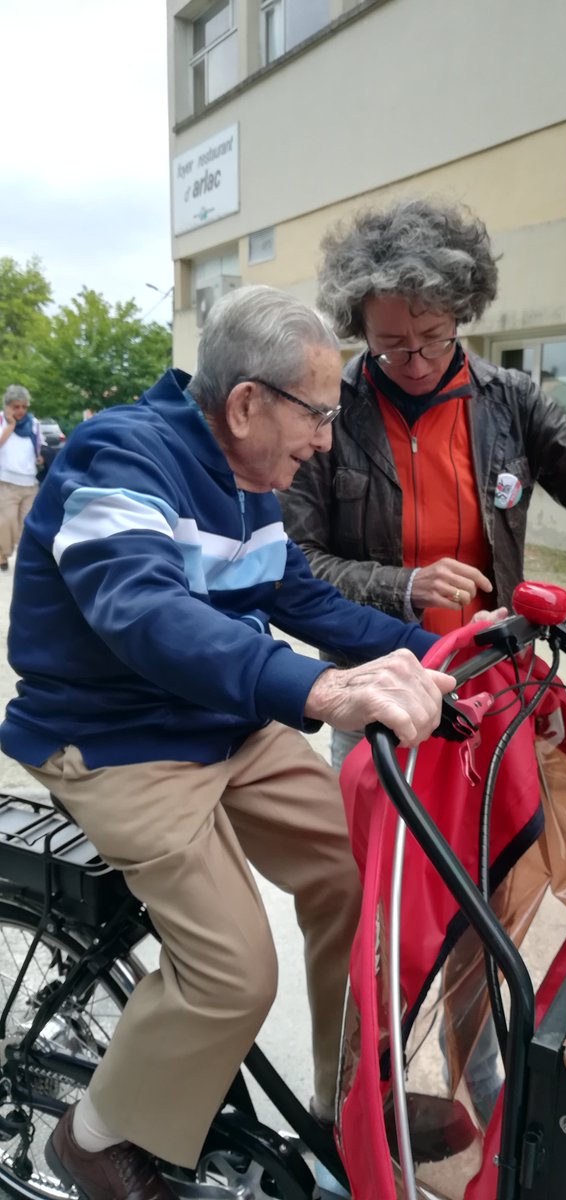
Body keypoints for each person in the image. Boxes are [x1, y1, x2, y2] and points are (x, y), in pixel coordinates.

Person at [0, 285, 457, 1200]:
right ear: (248, 402)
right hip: (118, 739)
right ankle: (92, 1141)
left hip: (222, 728)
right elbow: (144, 611)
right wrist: (320, 689)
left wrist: (447, 649)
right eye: (318, 414)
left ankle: (341, 1100)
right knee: (235, 972)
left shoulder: (250, 484)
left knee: (360, 874)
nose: (326, 438)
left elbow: (304, 602)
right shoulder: (118, 458)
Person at [279, 197, 566, 772]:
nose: (415, 363)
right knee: (379, 858)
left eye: (435, 337)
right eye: (390, 347)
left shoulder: (512, 400)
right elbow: (298, 561)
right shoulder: (329, 410)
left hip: (497, 679)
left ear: (463, 312)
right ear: (358, 329)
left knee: (498, 852)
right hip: (381, 691)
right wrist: (405, 584)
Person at [0, 384, 42, 571]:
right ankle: (2, 554)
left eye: (24, 406)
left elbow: (37, 448)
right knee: (6, 522)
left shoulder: (34, 423)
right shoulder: (2, 421)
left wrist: (39, 457)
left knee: (27, 524)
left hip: (30, 484)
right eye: (16, 406)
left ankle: (24, 558)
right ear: (7, 406)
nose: (21, 411)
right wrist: (11, 425)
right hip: (6, 483)